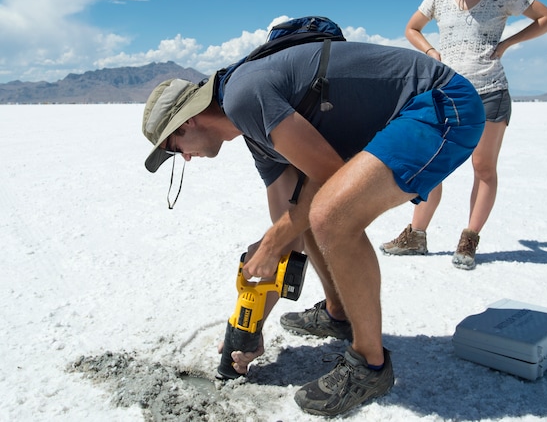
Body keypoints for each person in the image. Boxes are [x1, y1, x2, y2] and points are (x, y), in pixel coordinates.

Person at [142, 40, 485, 416]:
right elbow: (287, 223)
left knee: (329, 216)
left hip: (442, 105)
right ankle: (339, 313)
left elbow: (327, 176)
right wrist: (250, 329)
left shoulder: (243, 96)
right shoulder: (254, 133)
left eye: (175, 147)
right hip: (414, 113)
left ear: (187, 120)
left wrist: (272, 242)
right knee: (306, 220)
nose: (185, 157)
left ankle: (370, 364)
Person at [381, 0, 547, 269]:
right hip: (448, 92)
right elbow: (412, 28)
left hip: (491, 91)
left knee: (483, 167)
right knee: (433, 165)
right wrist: (431, 51)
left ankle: (468, 240)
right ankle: (416, 235)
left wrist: (507, 44)